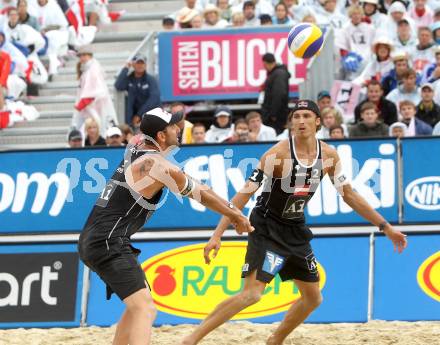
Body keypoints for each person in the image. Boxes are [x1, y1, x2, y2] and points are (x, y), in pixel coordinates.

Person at [181, 99, 407, 345]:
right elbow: (243, 195)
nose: (300, 121)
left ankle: (275, 340)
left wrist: (386, 227)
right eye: (296, 116)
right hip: (267, 227)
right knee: (252, 294)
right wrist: (217, 235)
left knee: (313, 298)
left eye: (306, 116)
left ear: (318, 122)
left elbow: (350, 195)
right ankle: (191, 340)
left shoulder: (329, 155)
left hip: (296, 229)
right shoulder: (277, 154)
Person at [78, 107, 253, 345]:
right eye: (173, 126)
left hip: (98, 238)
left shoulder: (136, 150)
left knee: (136, 305)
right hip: (108, 241)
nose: (178, 129)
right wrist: (236, 215)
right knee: (146, 309)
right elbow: (201, 192)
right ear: (161, 135)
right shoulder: (157, 165)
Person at [71, 45, 118, 137]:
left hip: (95, 107)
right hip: (88, 108)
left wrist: (82, 103)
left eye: (84, 55)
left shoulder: (93, 69)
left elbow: (98, 91)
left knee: (97, 130)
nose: (82, 58)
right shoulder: (87, 69)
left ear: (90, 55)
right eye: (80, 56)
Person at [114, 53, 161, 127]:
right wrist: (126, 68)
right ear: (133, 65)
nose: (140, 65)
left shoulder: (151, 80)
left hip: (150, 118)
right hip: (133, 120)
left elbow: (154, 99)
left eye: (142, 63)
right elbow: (118, 85)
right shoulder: (129, 79)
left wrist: (139, 115)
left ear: (145, 65)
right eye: (138, 63)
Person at [261, 53, 290, 134]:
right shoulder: (277, 74)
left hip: (275, 119)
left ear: (265, 63)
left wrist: (273, 114)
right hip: (275, 117)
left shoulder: (278, 74)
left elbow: (279, 94)